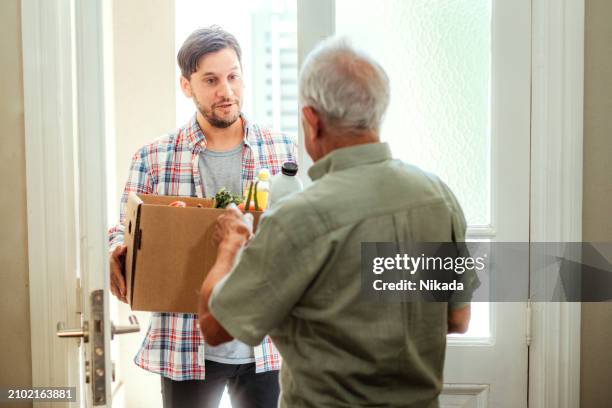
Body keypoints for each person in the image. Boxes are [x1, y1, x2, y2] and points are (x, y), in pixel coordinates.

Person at [198, 37, 477, 407]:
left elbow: (215, 327)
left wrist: (230, 243)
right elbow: (457, 318)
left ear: (312, 122)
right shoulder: (438, 197)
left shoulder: (296, 220)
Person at [108, 26, 295, 408]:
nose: (225, 91)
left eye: (233, 76)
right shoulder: (154, 157)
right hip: (185, 346)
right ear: (186, 85)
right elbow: (122, 229)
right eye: (210, 80)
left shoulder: (282, 151)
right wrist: (116, 251)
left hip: (266, 346)